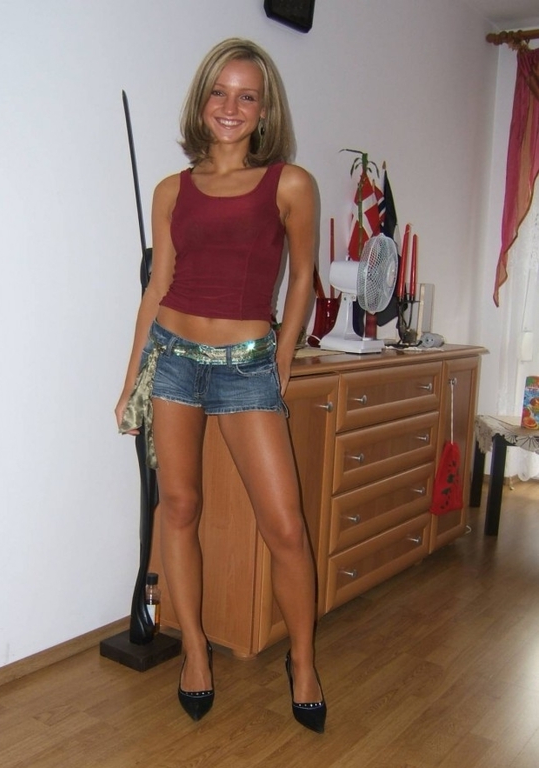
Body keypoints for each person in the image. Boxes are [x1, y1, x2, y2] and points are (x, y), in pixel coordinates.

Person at [115, 38, 326, 734]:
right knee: (178, 508)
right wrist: (131, 380)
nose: (231, 107)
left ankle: (302, 662)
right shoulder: (171, 190)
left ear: (264, 110)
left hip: (246, 365)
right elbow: (157, 288)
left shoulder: (289, 184)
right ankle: (196, 653)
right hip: (173, 358)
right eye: (219, 92)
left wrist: (283, 357)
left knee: (285, 525)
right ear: (201, 100)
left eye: (247, 96)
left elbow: (303, 276)